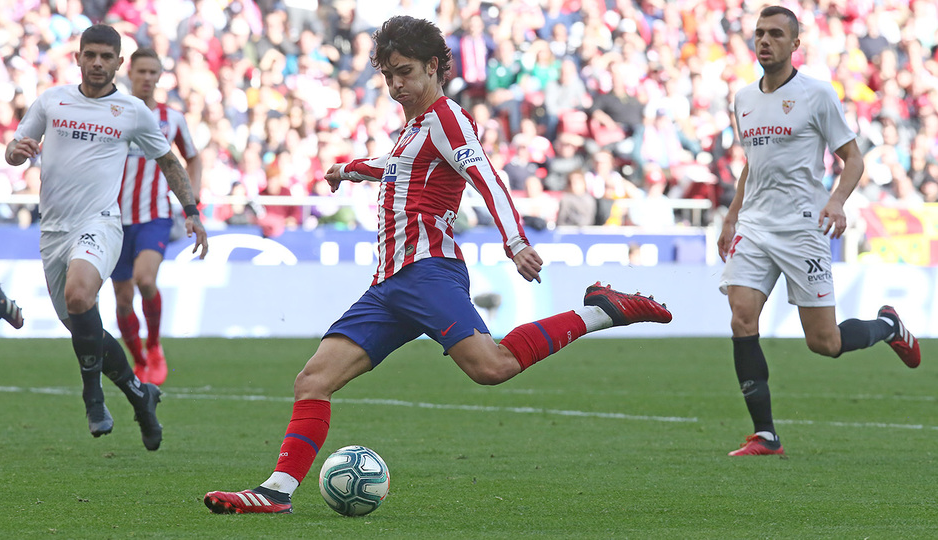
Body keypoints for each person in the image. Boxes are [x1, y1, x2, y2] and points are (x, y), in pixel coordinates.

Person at [204, 15, 672, 515]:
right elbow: (395, 167)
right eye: (388, 76)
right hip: (389, 284)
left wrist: (515, 242)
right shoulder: (416, 128)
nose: (395, 85)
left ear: (433, 66)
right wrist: (349, 169)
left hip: (428, 271)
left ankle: (601, 310)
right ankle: (276, 492)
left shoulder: (449, 119)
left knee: (492, 367)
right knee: (312, 381)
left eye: (404, 72)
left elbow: (485, 176)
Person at [717, 6, 920, 458]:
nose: (765, 40)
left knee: (824, 343)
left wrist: (836, 201)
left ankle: (888, 326)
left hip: (802, 228)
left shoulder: (817, 94)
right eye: (759, 33)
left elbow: (854, 158)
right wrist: (732, 216)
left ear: (795, 44)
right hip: (755, 225)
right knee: (741, 317)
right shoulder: (743, 98)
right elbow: (752, 163)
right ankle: (765, 435)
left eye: (775, 34)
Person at [4, 24, 208, 450]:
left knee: (80, 296)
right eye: (90, 55)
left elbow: (170, 162)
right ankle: (139, 394)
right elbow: (17, 146)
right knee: (84, 328)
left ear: (118, 63)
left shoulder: (131, 111)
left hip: (100, 222)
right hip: (53, 231)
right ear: (78, 57)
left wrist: (191, 212)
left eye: (106, 57)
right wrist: (16, 151)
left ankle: (92, 397)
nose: (97, 63)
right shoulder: (52, 100)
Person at [112, 47, 203, 386]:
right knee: (122, 299)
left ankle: (154, 346)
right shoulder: (114, 112)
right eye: (142, 72)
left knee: (145, 280)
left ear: (160, 76)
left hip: (155, 215)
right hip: (112, 219)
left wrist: (192, 200)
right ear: (130, 73)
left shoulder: (171, 118)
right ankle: (138, 359)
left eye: (153, 72)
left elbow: (193, 158)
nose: (147, 78)